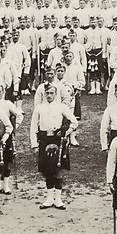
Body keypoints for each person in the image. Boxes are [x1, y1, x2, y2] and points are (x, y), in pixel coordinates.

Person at [29, 82, 78, 210]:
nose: (49, 95)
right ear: (44, 94)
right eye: (47, 93)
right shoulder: (39, 108)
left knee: (58, 169)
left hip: (58, 140)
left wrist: (67, 132)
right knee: (47, 170)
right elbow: (33, 127)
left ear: (56, 94)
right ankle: (49, 198)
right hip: (44, 139)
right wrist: (34, 144)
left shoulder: (62, 107)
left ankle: (58, 199)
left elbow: (74, 121)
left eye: (52, 93)